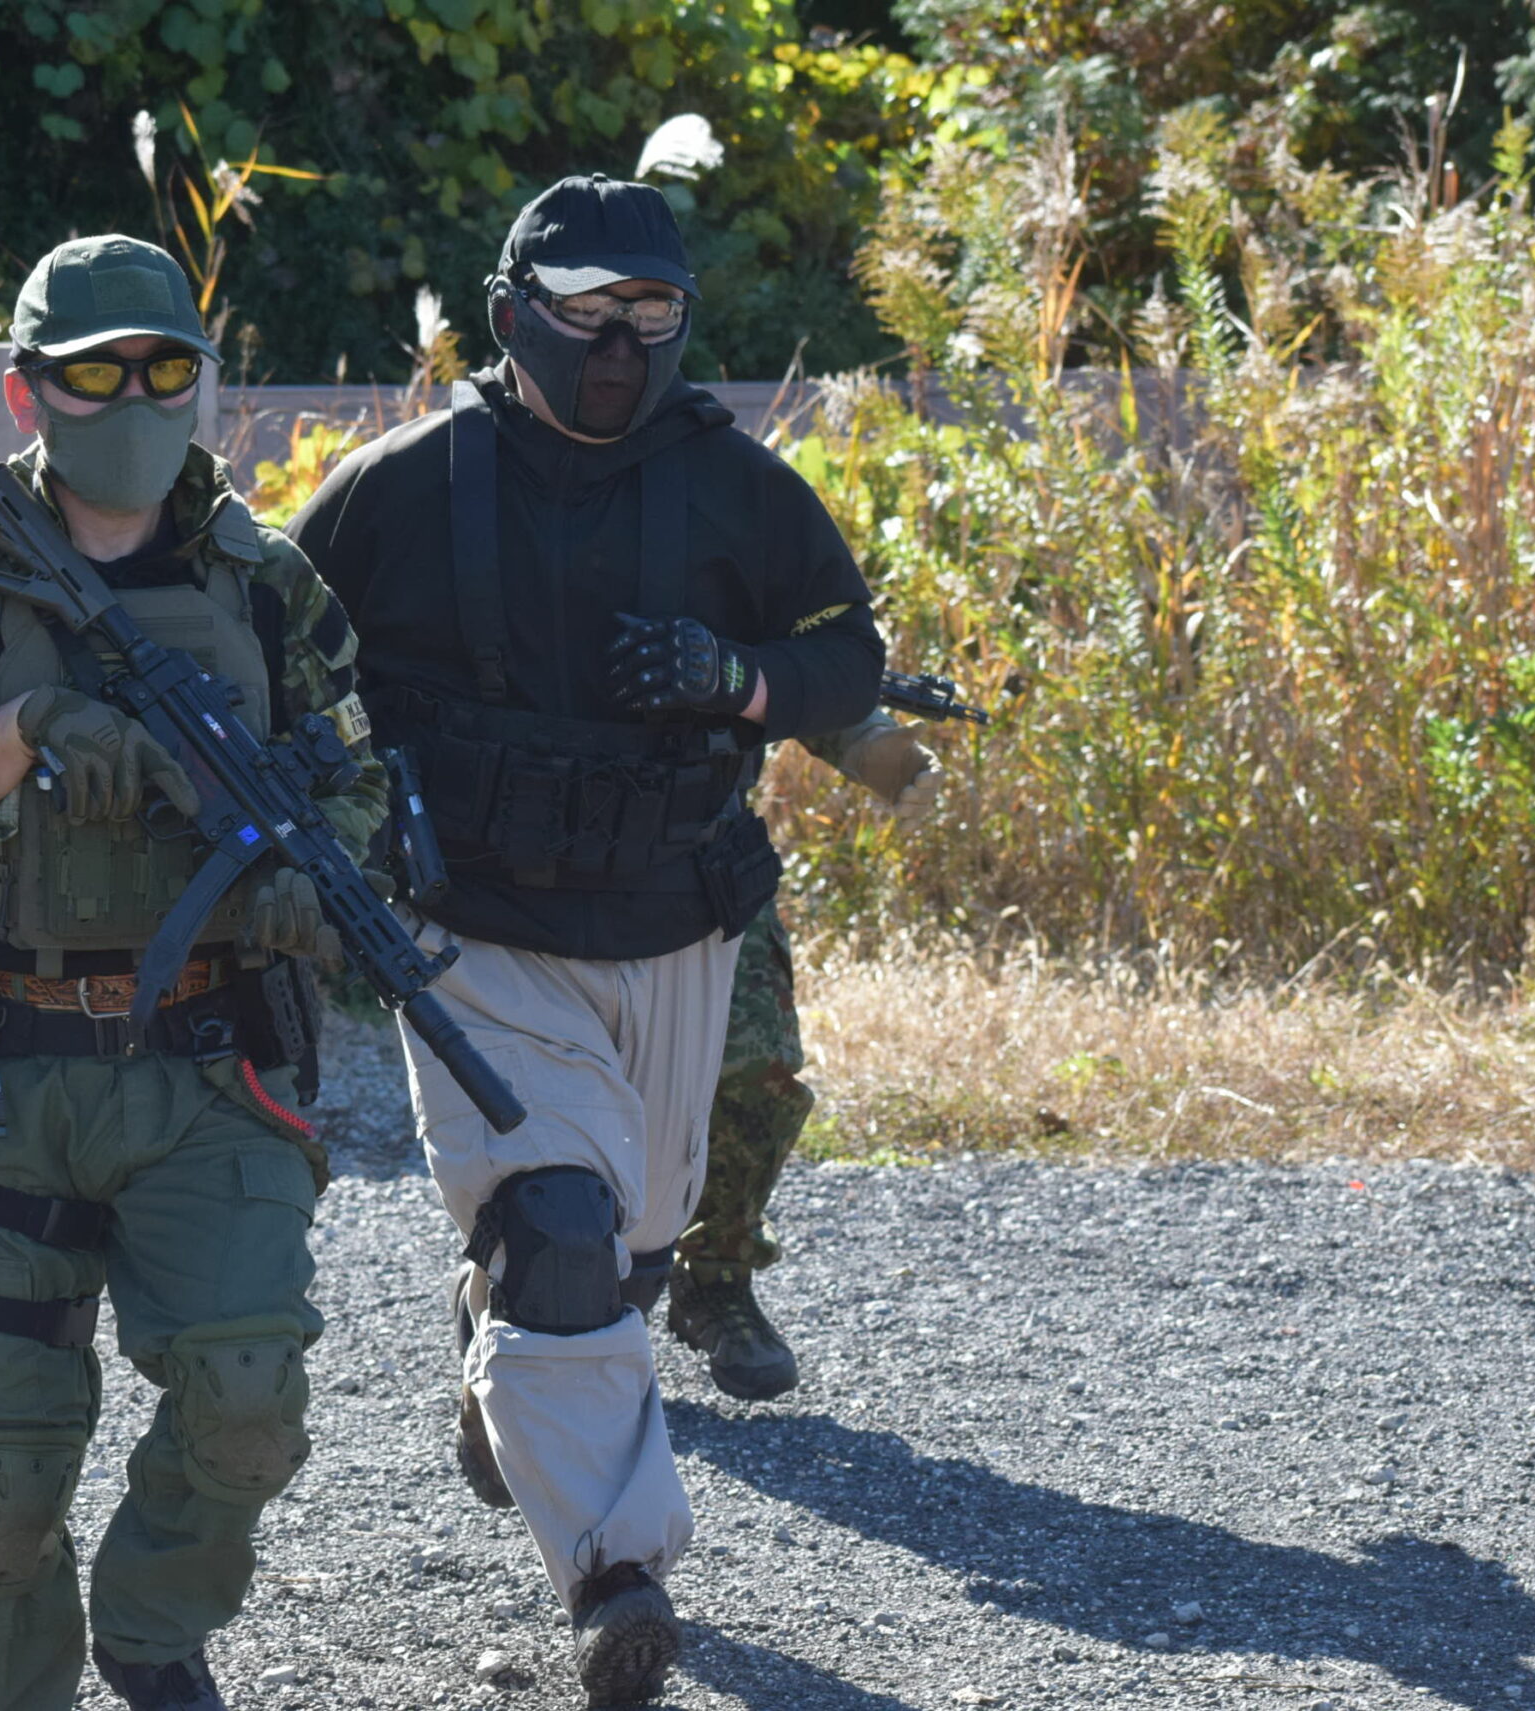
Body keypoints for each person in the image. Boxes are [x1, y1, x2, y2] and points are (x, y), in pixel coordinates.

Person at [288, 174, 883, 1706]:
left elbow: (849, 657)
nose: (619, 345)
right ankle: (617, 1576)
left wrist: (738, 679)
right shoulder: (401, 488)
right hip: (475, 935)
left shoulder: (738, 489)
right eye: (585, 312)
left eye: (651, 312)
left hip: (676, 928)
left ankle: (501, 1342)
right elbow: (266, 642)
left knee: (625, 1257)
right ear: (511, 316)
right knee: (556, 1228)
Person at [0, 234, 383, 1711]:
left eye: (163, 369)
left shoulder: (269, 584)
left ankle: (150, 1630)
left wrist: (309, 876)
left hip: (210, 1061)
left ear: (202, 382)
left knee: (249, 1404)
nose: (132, 399)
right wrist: (24, 729)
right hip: (3, 1071)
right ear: (27, 392)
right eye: (93, 374)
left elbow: (358, 785)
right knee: (11, 1487)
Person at [669, 711, 941, 1400]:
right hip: (547, 856)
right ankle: (531, 1275)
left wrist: (870, 741)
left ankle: (715, 1277)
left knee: (756, 1072)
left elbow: (792, 664)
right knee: (562, 1075)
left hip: (705, 851)